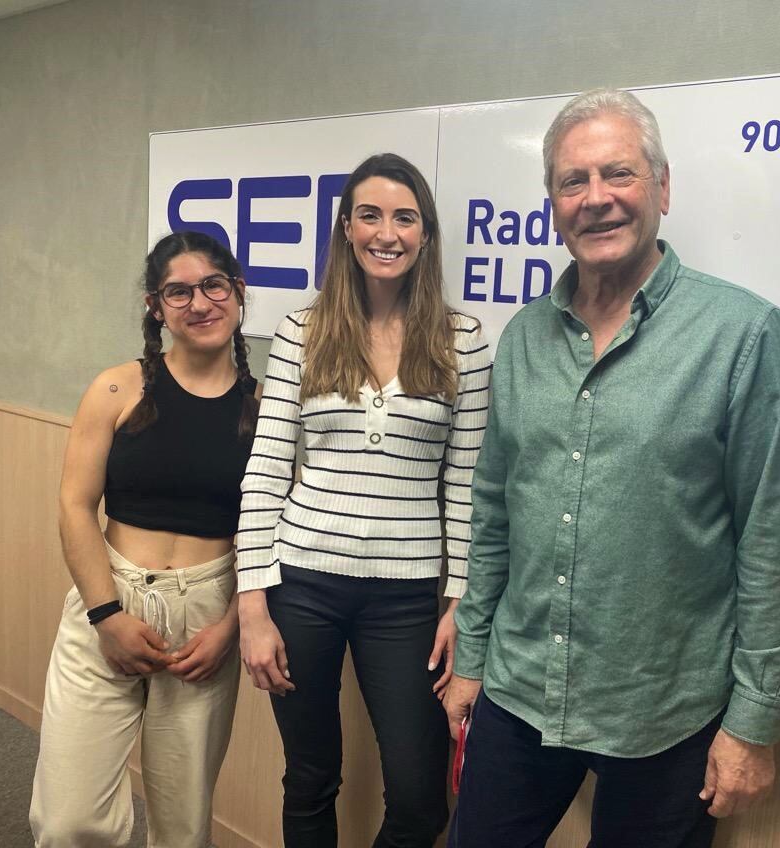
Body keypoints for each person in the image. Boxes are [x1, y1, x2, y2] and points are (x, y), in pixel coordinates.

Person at [444, 89, 780, 848]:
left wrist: (754, 723)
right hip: (518, 689)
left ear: (662, 188)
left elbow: (767, 541)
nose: (596, 198)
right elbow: (492, 515)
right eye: (572, 181)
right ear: (551, 203)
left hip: (665, 709)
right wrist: (471, 658)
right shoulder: (520, 340)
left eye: (618, 174)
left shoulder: (740, 333)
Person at [235, 153, 491, 847]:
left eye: (404, 217)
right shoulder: (302, 330)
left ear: (425, 234)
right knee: (311, 777)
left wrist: (460, 601)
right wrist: (252, 606)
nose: (387, 232)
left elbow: (467, 484)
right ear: (345, 229)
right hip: (301, 588)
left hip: (406, 599)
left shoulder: (463, 341)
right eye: (370, 215)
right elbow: (264, 470)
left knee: (417, 798)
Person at [29, 231, 259, 848]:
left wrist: (232, 627)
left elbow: (272, 537)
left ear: (238, 294)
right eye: (177, 292)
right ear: (156, 307)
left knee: (183, 828)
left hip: (208, 617)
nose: (199, 303)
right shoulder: (117, 389)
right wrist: (107, 616)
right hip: (110, 597)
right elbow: (75, 507)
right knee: (68, 820)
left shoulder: (263, 408)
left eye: (214, 285)